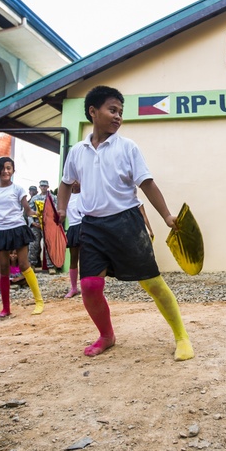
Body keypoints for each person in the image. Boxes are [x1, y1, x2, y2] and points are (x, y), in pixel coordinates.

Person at [56, 85, 194, 361]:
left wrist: (167, 215)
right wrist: (61, 209)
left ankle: (182, 336)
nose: (118, 116)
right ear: (93, 112)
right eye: (112, 110)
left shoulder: (128, 147)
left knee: (153, 284)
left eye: (121, 112)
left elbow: (147, 184)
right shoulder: (78, 151)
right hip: (92, 226)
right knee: (90, 286)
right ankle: (106, 335)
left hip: (127, 224)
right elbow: (65, 183)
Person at [0, 156, 45, 316]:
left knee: (23, 264)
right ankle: (6, 308)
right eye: (2, 168)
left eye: (9, 168)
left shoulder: (18, 189)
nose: (5, 171)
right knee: (4, 267)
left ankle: (39, 301)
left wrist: (40, 213)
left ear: (13, 170)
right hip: (0, 231)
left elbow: (27, 211)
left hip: (18, 228)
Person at [63, 182, 83, 298]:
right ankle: (74, 288)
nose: (75, 183)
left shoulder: (85, 194)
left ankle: (86, 287)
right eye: (73, 181)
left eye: (77, 181)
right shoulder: (67, 197)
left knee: (85, 258)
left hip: (84, 225)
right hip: (73, 227)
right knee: (73, 257)